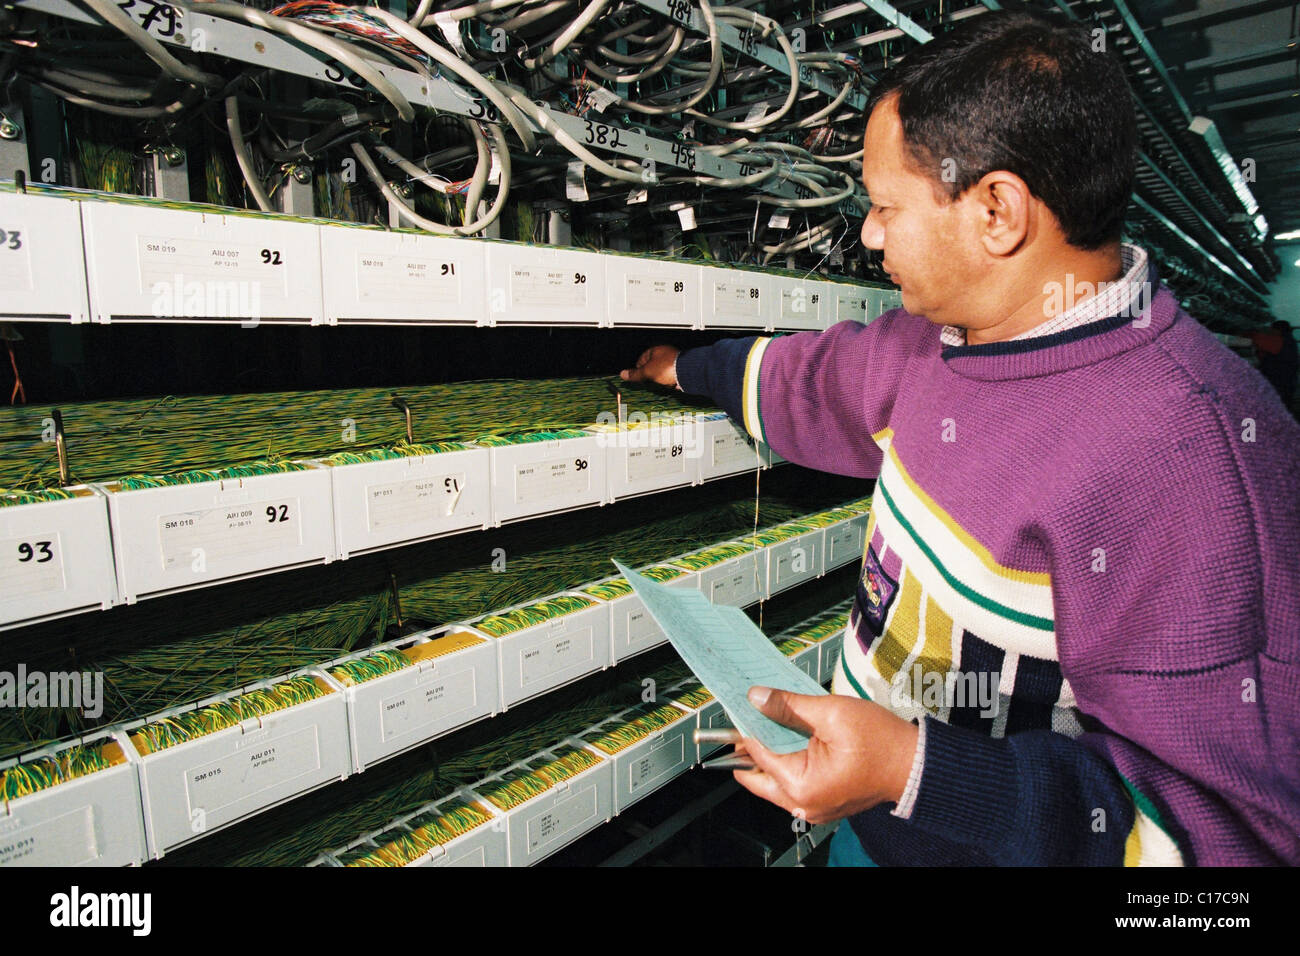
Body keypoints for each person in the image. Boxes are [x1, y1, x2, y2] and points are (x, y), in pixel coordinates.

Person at [621, 9, 1300, 866]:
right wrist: (685, 369)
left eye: (884, 207)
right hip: (870, 825)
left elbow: (1227, 850)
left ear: (996, 211)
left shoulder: (1193, 463)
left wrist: (915, 772)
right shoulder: (940, 340)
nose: (868, 235)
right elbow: (817, 382)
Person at [1248, 320, 1298, 412]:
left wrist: (1252, 331)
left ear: (1277, 330)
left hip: (1278, 383)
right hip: (1285, 383)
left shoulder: (1279, 340)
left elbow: (1255, 338)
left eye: (1271, 330)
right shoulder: (1289, 341)